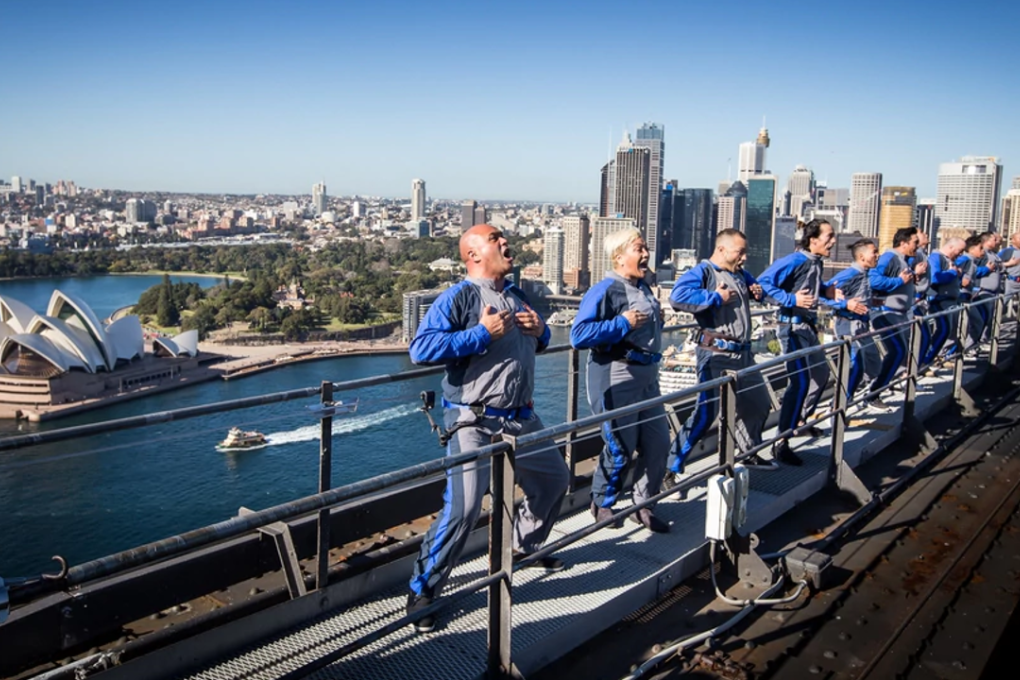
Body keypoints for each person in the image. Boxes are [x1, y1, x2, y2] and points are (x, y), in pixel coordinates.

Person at [406, 224, 569, 633]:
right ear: (474, 254)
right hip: (472, 420)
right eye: (495, 238)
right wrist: (481, 332)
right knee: (463, 508)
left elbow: (540, 341)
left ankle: (523, 548)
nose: (505, 241)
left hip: (520, 416)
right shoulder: (459, 296)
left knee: (554, 482)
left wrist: (541, 331)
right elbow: (421, 349)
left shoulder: (515, 295)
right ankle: (422, 590)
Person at [570, 227, 670, 533]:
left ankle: (644, 504)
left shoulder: (644, 286)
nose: (645, 253)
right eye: (638, 248)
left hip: (647, 374)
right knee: (620, 446)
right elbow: (578, 335)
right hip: (616, 373)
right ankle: (602, 503)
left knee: (658, 443)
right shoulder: (604, 290)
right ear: (619, 256)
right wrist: (621, 323)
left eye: (645, 248)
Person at [668, 229, 774, 472]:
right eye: (740, 252)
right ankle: (671, 467)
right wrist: (716, 297)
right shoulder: (704, 271)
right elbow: (677, 297)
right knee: (706, 413)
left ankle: (748, 452)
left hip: (744, 354)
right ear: (722, 249)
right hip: (716, 354)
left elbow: (754, 286)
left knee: (758, 403)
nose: (744, 257)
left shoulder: (739, 273)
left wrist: (757, 290)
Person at [758, 218, 843, 466]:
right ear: (813, 239)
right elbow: (762, 283)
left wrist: (825, 290)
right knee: (801, 381)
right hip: (792, 327)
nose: (833, 240)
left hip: (807, 327)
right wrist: (791, 298)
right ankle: (781, 443)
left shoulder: (814, 262)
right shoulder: (796, 259)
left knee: (820, 374)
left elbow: (808, 285)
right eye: (829, 236)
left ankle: (797, 422)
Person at [866, 227, 924, 407]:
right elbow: (873, 280)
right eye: (915, 242)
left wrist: (912, 278)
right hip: (885, 313)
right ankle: (874, 393)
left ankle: (887, 383)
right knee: (898, 350)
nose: (918, 245)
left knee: (903, 350)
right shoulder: (889, 258)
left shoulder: (903, 260)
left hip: (899, 314)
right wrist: (900, 281)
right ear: (904, 243)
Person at [826, 239, 878, 404]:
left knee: (874, 365)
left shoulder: (865, 274)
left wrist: (873, 302)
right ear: (862, 257)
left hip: (862, 326)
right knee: (856, 365)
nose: (878, 255)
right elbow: (824, 295)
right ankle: (839, 405)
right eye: (874, 252)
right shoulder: (850, 274)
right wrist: (845, 304)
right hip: (848, 324)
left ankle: (863, 396)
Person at [925, 237, 967, 363]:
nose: (961, 254)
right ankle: (926, 360)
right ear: (951, 247)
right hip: (940, 300)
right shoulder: (936, 257)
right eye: (959, 250)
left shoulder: (950, 260)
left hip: (952, 300)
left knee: (951, 331)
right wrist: (952, 273)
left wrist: (957, 274)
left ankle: (939, 356)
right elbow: (935, 278)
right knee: (943, 329)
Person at [957, 235, 990, 352]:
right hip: (961, 297)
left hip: (967, 298)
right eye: (980, 248)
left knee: (976, 322)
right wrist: (961, 281)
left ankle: (965, 349)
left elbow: (976, 272)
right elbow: (952, 269)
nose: (983, 251)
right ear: (971, 249)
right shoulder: (964, 259)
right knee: (970, 324)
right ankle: (959, 351)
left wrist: (987, 269)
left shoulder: (972, 262)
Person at [909, 231, 933, 367]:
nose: (926, 235)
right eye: (923, 233)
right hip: (914, 302)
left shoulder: (922, 254)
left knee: (923, 337)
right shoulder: (915, 255)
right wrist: (914, 274)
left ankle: (917, 368)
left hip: (921, 300)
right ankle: (910, 372)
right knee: (922, 338)